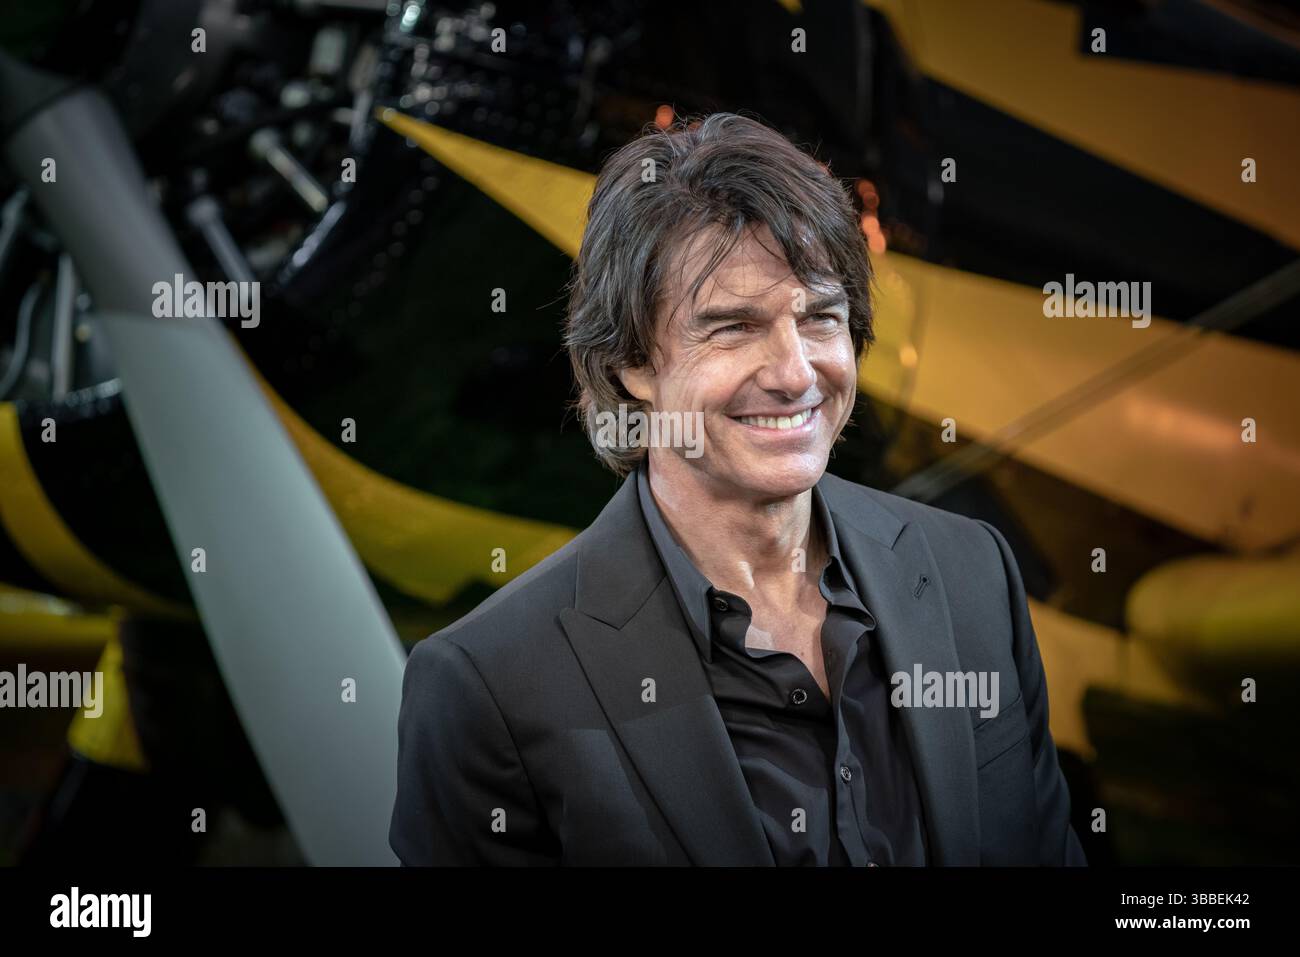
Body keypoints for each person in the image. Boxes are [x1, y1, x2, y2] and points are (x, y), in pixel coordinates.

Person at [390, 112, 1087, 866]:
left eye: (820, 317)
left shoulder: (971, 572)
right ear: (632, 363)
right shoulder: (489, 688)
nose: (794, 372)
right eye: (733, 328)